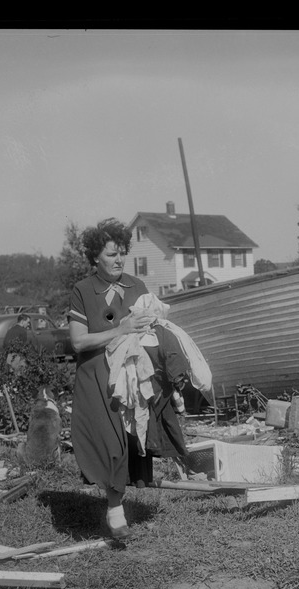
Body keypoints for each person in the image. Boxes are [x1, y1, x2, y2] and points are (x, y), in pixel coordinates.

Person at [68, 218, 190, 546]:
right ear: (95, 257)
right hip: (97, 378)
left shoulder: (138, 287)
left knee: (131, 440)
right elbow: (78, 343)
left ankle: (117, 499)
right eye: (111, 254)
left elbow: (157, 328)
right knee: (109, 442)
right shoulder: (83, 291)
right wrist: (120, 329)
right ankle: (114, 507)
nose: (118, 260)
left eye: (122, 253)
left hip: (134, 377)